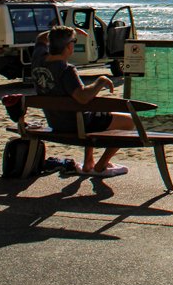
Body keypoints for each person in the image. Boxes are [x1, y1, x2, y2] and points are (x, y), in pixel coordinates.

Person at [32, 25, 134, 177]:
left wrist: (62, 33)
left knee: (88, 112)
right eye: (73, 41)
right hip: (75, 124)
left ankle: (88, 163)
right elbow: (83, 97)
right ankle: (101, 165)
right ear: (69, 46)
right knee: (129, 122)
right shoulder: (66, 70)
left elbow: (40, 38)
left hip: (55, 121)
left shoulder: (38, 59)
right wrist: (101, 81)